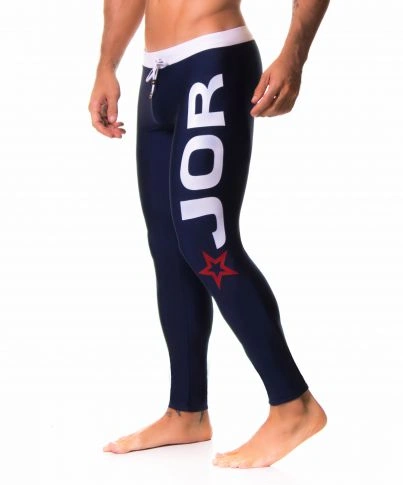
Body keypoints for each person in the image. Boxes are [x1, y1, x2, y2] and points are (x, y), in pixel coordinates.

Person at [88, 0, 330, 469]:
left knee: (207, 241)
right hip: (156, 73)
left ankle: (293, 403)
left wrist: (294, 55)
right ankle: (186, 411)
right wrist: (106, 64)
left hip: (213, 62)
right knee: (168, 247)